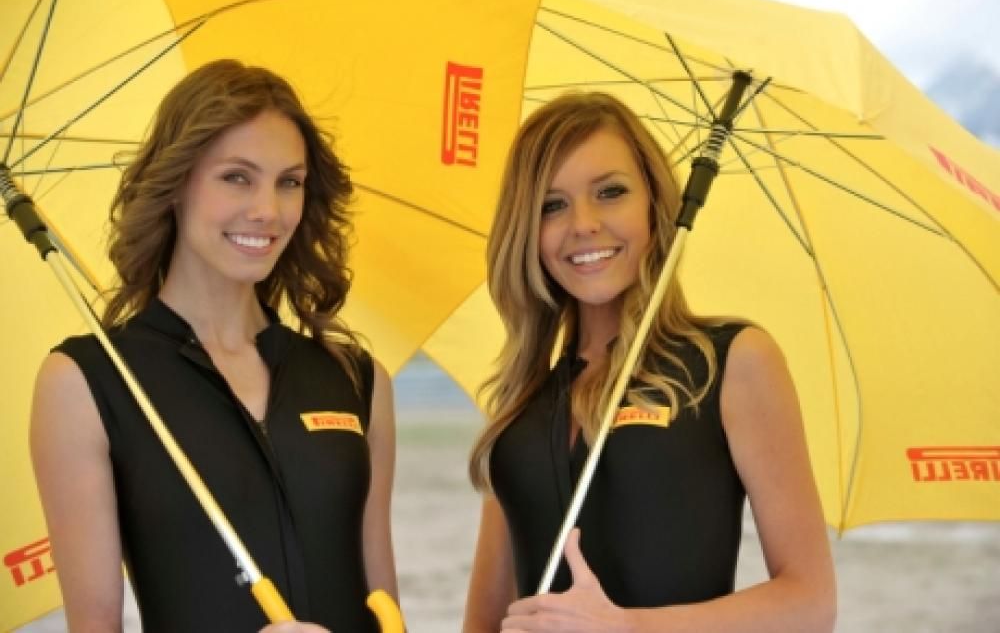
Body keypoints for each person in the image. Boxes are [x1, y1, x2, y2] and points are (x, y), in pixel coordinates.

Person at [30, 60, 399, 632]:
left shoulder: (356, 379)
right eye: (236, 177)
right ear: (177, 183)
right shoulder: (87, 382)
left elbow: (386, 608)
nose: (268, 210)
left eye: (289, 182)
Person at [462, 92, 836, 632]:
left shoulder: (733, 362)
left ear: (655, 205)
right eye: (552, 205)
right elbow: (482, 623)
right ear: (527, 231)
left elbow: (810, 603)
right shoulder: (520, 403)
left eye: (610, 192)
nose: (583, 223)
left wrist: (630, 627)